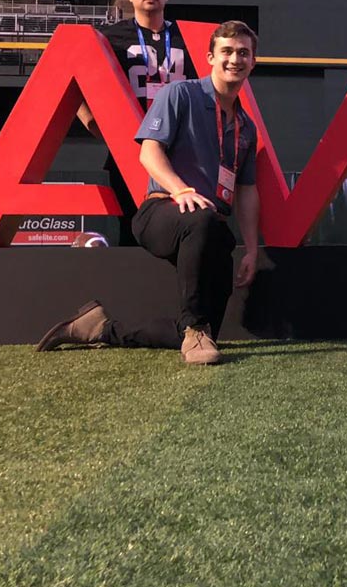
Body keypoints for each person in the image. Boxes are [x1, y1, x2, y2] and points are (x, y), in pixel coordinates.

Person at [36, 21, 262, 366]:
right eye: (227, 51)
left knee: (202, 324)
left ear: (253, 62)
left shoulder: (246, 127)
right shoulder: (180, 94)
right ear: (210, 58)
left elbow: (246, 190)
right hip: (160, 212)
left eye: (243, 53)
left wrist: (251, 247)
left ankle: (99, 329)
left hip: (211, 230)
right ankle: (196, 326)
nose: (235, 59)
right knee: (199, 219)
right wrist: (180, 189)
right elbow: (149, 152)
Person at [81, 0, 191, 245]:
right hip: (130, 147)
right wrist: (96, 126)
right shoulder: (110, 38)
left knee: (185, 222)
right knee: (131, 229)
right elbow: (77, 86)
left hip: (181, 146)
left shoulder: (188, 38)